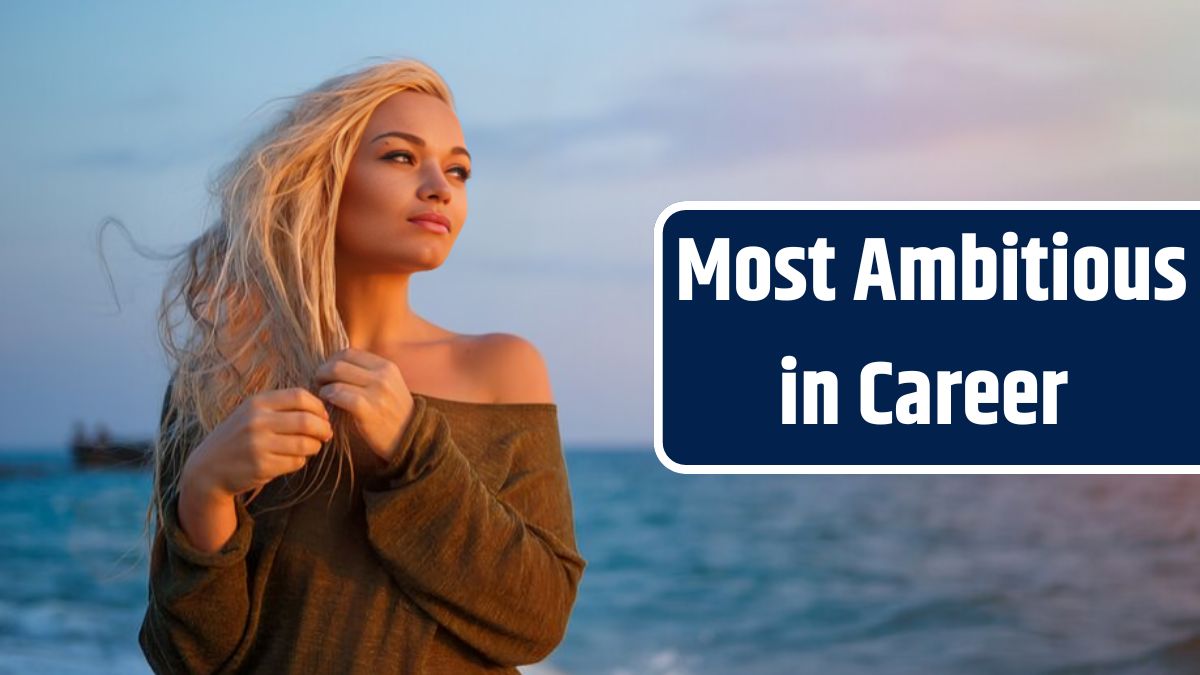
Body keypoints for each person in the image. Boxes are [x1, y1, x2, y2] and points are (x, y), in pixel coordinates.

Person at [138, 58, 587, 674]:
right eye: (401, 157)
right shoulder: (221, 378)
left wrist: (412, 448)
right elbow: (185, 659)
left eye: (458, 170)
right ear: (324, 178)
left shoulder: (501, 368)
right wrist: (206, 492)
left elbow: (537, 622)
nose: (441, 186)